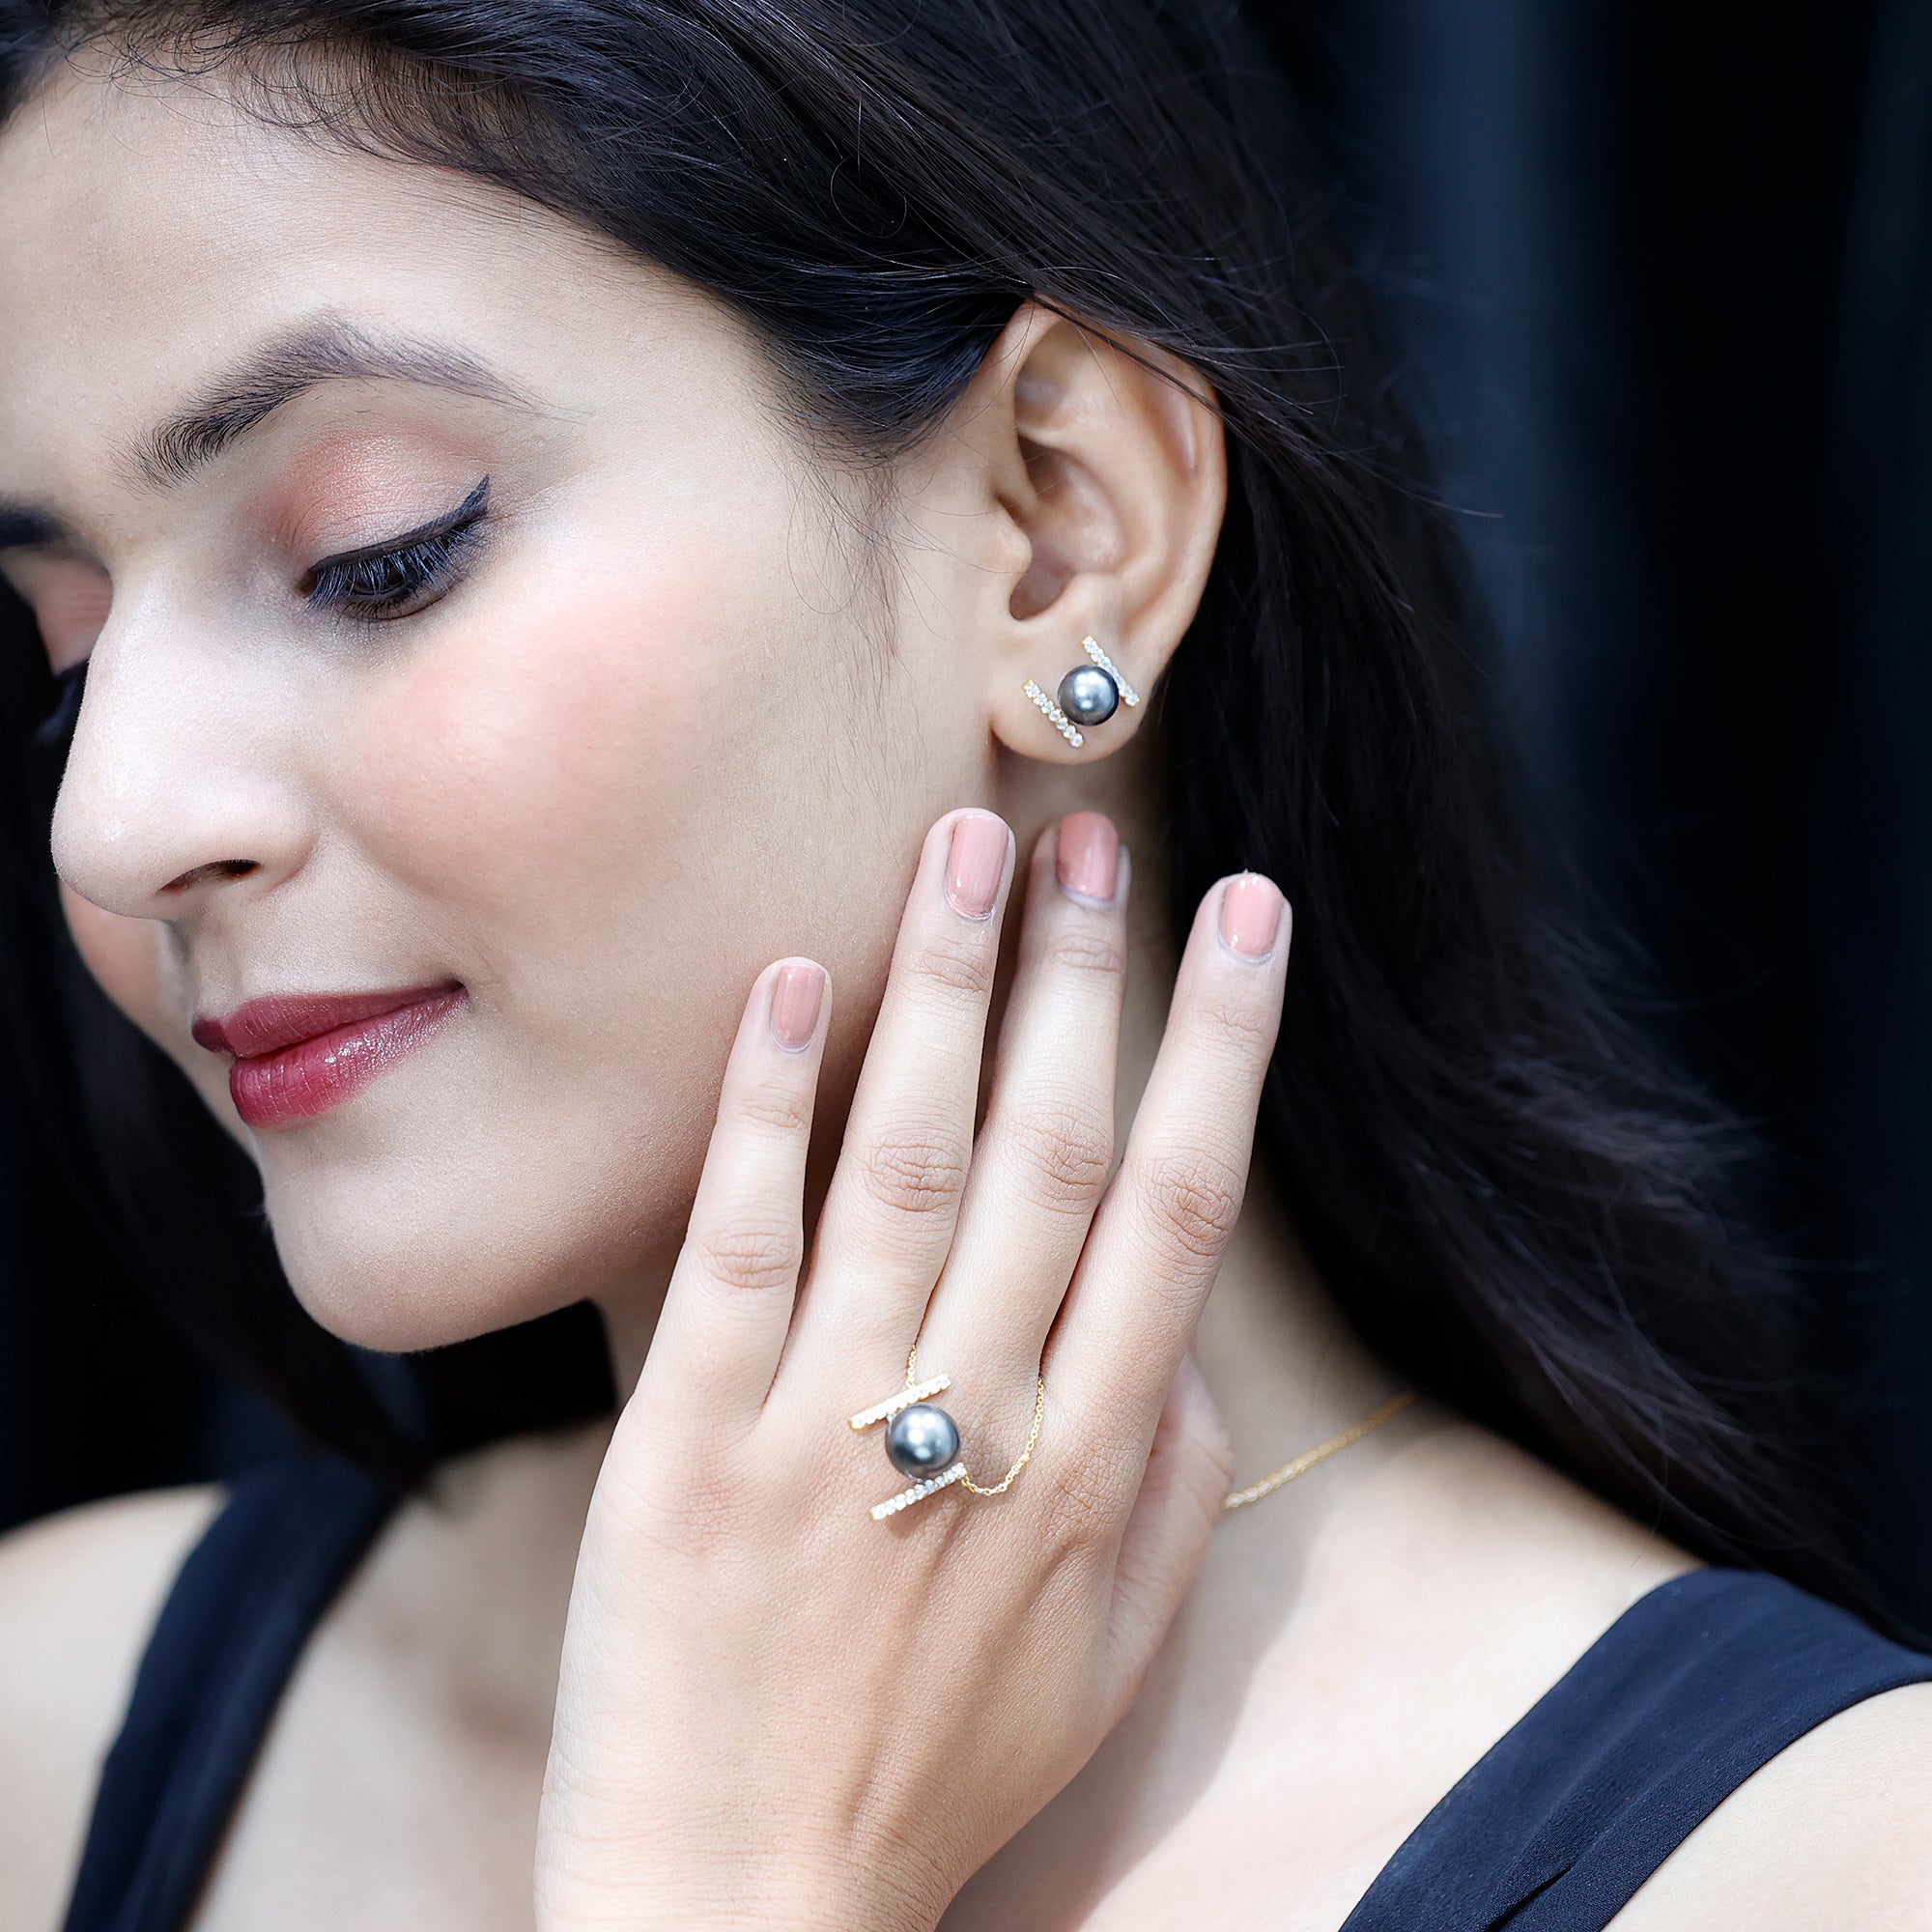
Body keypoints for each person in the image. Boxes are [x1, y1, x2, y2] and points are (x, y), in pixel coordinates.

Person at [0, 3, 1927, 1928]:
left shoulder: (1828, 1864)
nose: (112, 818)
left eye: (374, 554)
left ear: (1056, 528)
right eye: (69, 652)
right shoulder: (47, 1731)